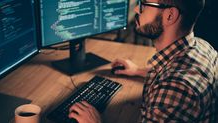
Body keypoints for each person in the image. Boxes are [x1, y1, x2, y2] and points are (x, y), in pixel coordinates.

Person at [68, 0, 218, 122]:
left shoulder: (176, 89)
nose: (137, 10)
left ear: (170, 15)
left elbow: (176, 86)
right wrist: (138, 71)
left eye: (144, 4)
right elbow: (174, 73)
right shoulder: (203, 47)